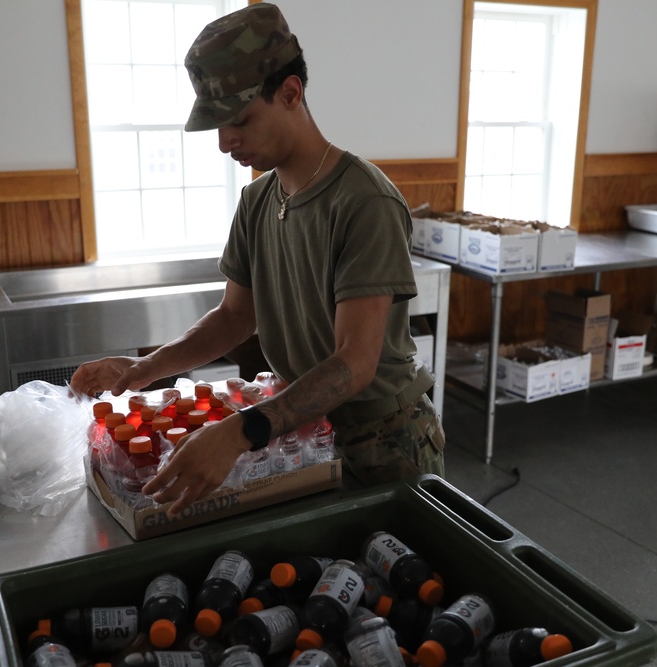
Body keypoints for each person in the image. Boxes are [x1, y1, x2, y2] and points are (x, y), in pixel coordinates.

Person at [70, 2, 444, 516]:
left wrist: (241, 431)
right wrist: (145, 369)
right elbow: (233, 317)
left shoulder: (363, 202)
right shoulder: (258, 200)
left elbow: (354, 363)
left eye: (240, 121)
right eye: (218, 125)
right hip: (300, 428)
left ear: (290, 93)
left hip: (381, 439)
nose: (225, 142)